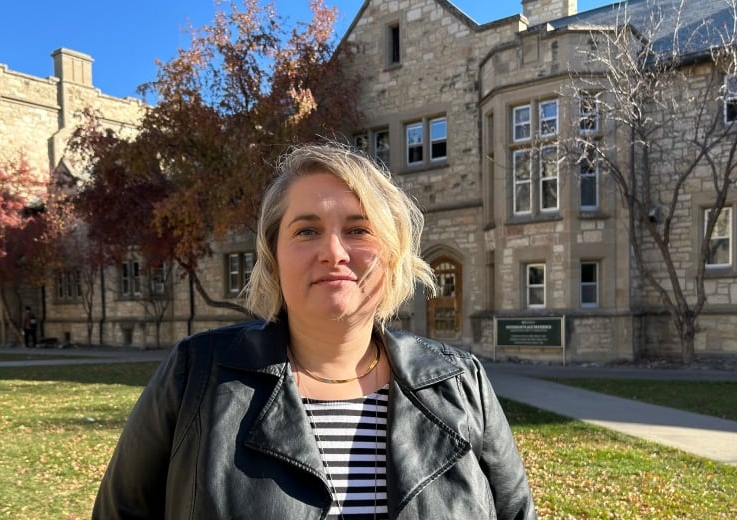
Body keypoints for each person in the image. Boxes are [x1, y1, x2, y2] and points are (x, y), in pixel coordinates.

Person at [92, 142, 536, 519]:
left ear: (393, 253)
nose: (334, 252)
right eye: (307, 230)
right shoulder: (197, 375)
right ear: (273, 256)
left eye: (359, 229)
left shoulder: (460, 383)